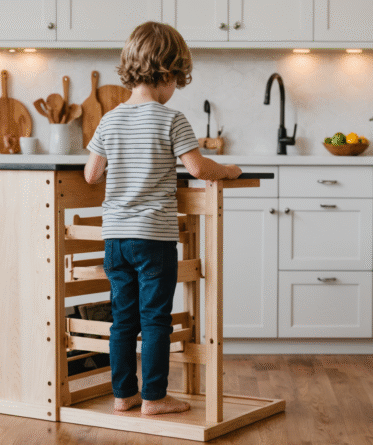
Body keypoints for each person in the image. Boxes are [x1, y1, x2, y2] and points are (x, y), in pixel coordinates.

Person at [83, 21, 241, 415]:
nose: (175, 91)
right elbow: (199, 168)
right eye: (177, 82)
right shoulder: (171, 119)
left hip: (115, 240)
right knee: (155, 320)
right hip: (153, 239)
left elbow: (91, 175)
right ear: (168, 75)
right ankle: (155, 398)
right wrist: (231, 170)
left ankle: (124, 396)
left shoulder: (110, 119)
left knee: (123, 319)